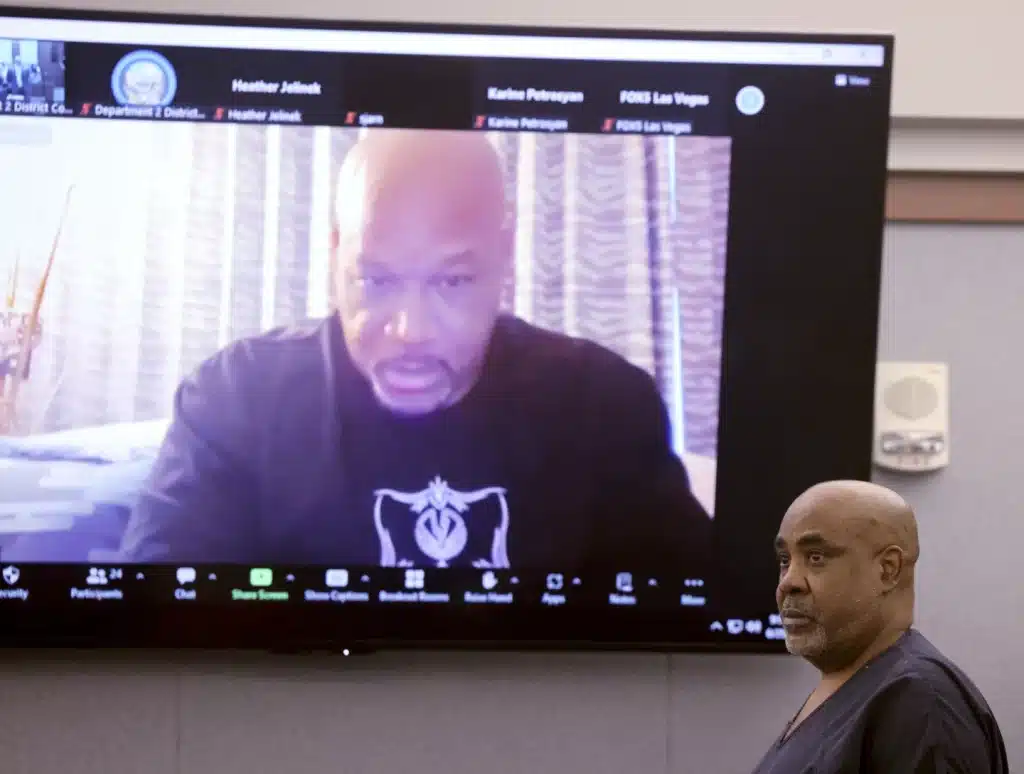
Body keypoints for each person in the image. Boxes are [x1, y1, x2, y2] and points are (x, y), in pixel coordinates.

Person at [118, 130, 711, 571]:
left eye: (451, 282)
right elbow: (155, 614)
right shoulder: (235, 398)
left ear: (503, 256)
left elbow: (692, 611)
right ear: (334, 253)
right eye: (375, 279)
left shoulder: (604, 404)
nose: (410, 331)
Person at [753, 480, 1008, 774]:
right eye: (785, 560)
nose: (788, 583)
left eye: (816, 557)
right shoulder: (856, 683)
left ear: (888, 569)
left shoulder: (921, 703)